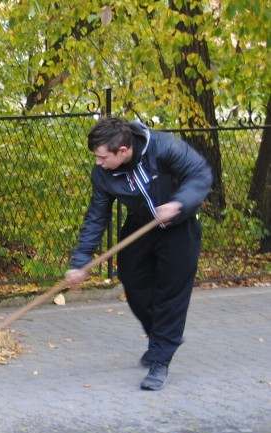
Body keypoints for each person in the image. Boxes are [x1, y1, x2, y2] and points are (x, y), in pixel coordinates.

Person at [65, 116, 212, 391]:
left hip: (179, 226)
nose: (98, 163)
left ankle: (160, 359)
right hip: (140, 226)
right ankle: (163, 336)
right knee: (133, 283)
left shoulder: (164, 147)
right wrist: (81, 260)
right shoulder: (103, 174)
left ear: (122, 151)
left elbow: (200, 174)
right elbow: (97, 215)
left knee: (171, 294)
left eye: (102, 157)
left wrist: (179, 203)